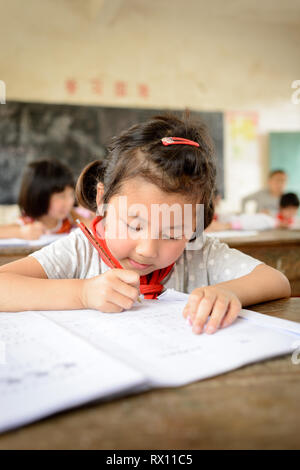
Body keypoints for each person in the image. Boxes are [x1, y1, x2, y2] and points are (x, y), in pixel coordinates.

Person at [0, 115, 290, 335]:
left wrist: (230, 292)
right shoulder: (80, 250)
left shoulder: (198, 252)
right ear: (103, 200)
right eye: (134, 225)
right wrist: (83, 293)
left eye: (173, 232)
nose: (147, 250)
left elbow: (277, 281)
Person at [0, 159, 93, 240]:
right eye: (61, 196)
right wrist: (21, 233)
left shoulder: (70, 217)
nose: (69, 202)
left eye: (71, 195)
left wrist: (79, 216)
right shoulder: (28, 222)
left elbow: (92, 228)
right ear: (39, 197)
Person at [206, 192, 300, 231]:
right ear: (280, 207)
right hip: (228, 222)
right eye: (289, 210)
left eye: (294, 210)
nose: (291, 213)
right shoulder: (271, 218)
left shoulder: (295, 221)